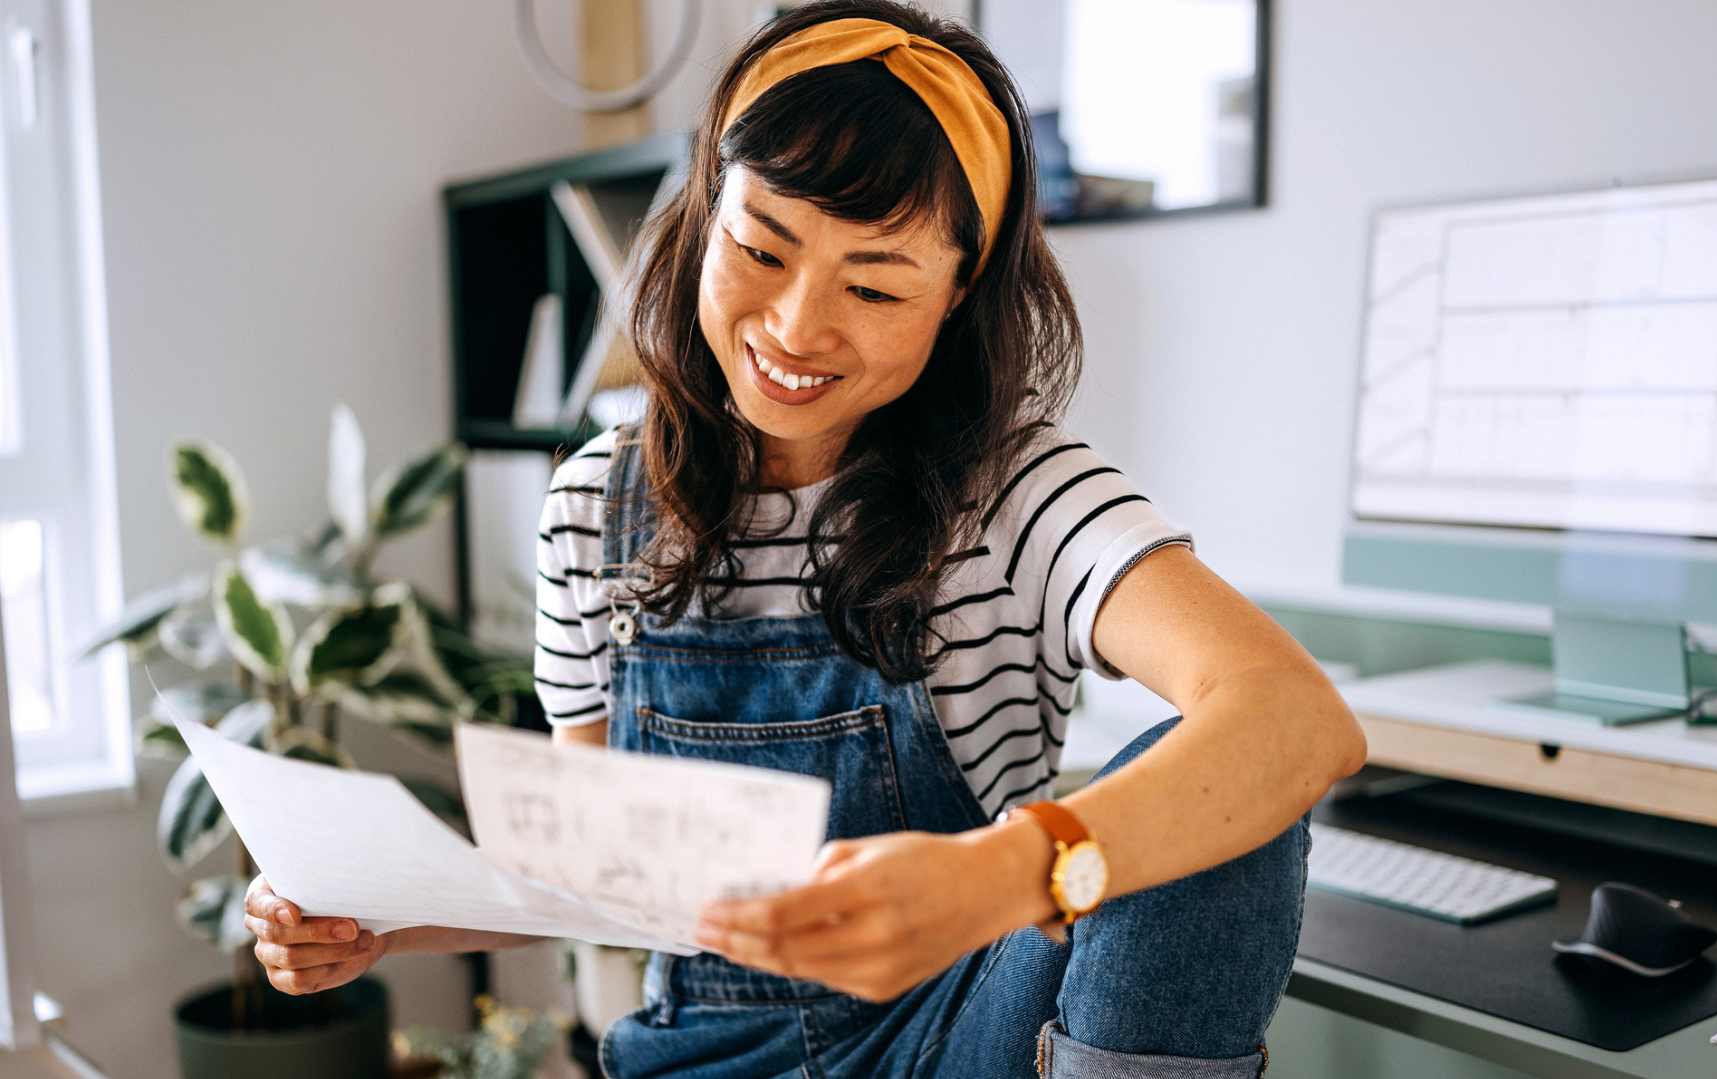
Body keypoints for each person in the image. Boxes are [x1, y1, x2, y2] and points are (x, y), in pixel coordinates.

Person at [245, 3, 1367, 1075]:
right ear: (700, 220)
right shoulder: (596, 503)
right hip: (704, 1053)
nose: (794, 328)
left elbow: (1296, 718)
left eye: (874, 286)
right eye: (763, 248)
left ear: (955, 296)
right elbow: (603, 874)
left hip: (963, 1035)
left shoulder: (1017, 495)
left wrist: (1004, 874)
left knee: (1218, 814)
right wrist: (385, 918)